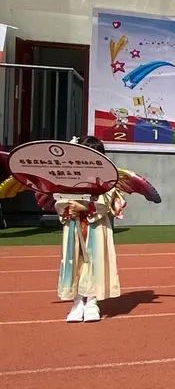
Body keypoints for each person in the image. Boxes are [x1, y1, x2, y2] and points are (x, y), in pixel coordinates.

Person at [56, 136, 124, 323]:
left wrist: (86, 208)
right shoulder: (68, 172)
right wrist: (67, 206)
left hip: (96, 226)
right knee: (74, 260)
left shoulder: (108, 176)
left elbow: (105, 201)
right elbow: (59, 194)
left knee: (94, 261)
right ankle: (77, 302)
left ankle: (92, 301)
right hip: (73, 224)